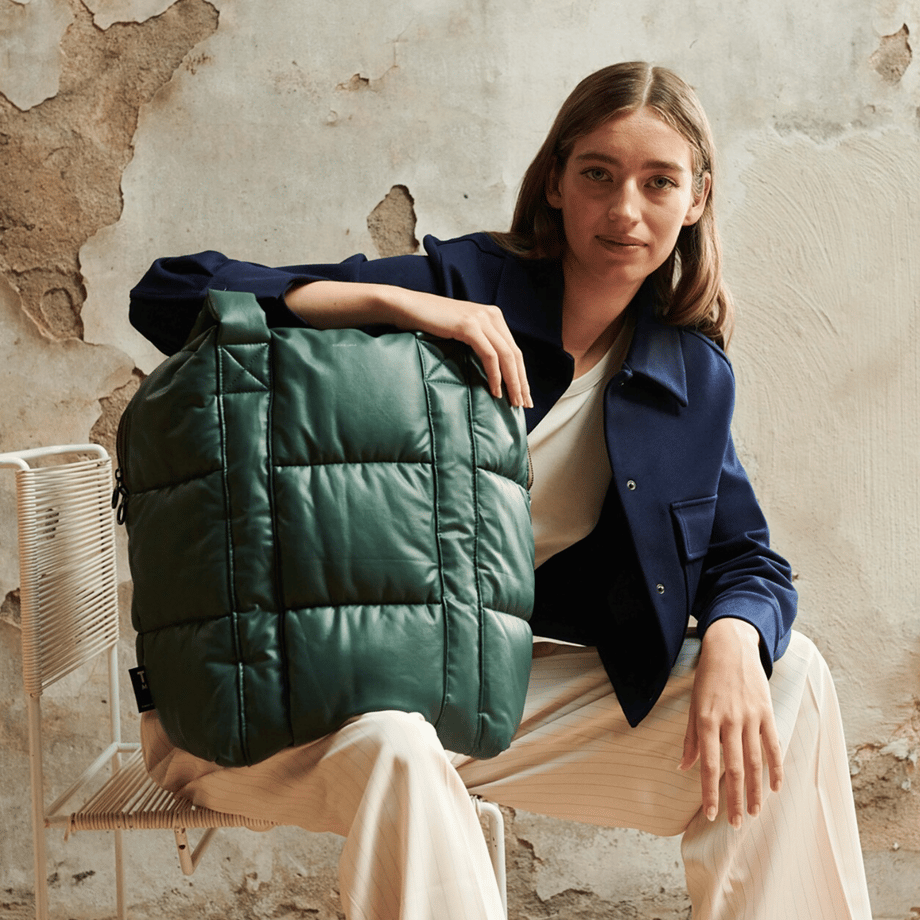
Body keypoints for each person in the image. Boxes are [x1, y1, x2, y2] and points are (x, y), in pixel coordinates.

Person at [130, 62, 873, 920]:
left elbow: (744, 556)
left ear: (696, 199)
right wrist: (403, 308)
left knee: (788, 678)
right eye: (598, 174)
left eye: (658, 182)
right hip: (278, 698)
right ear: (556, 181)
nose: (624, 210)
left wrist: (737, 639)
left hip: (471, 694)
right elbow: (169, 292)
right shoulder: (463, 287)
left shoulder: (685, 374)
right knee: (399, 742)